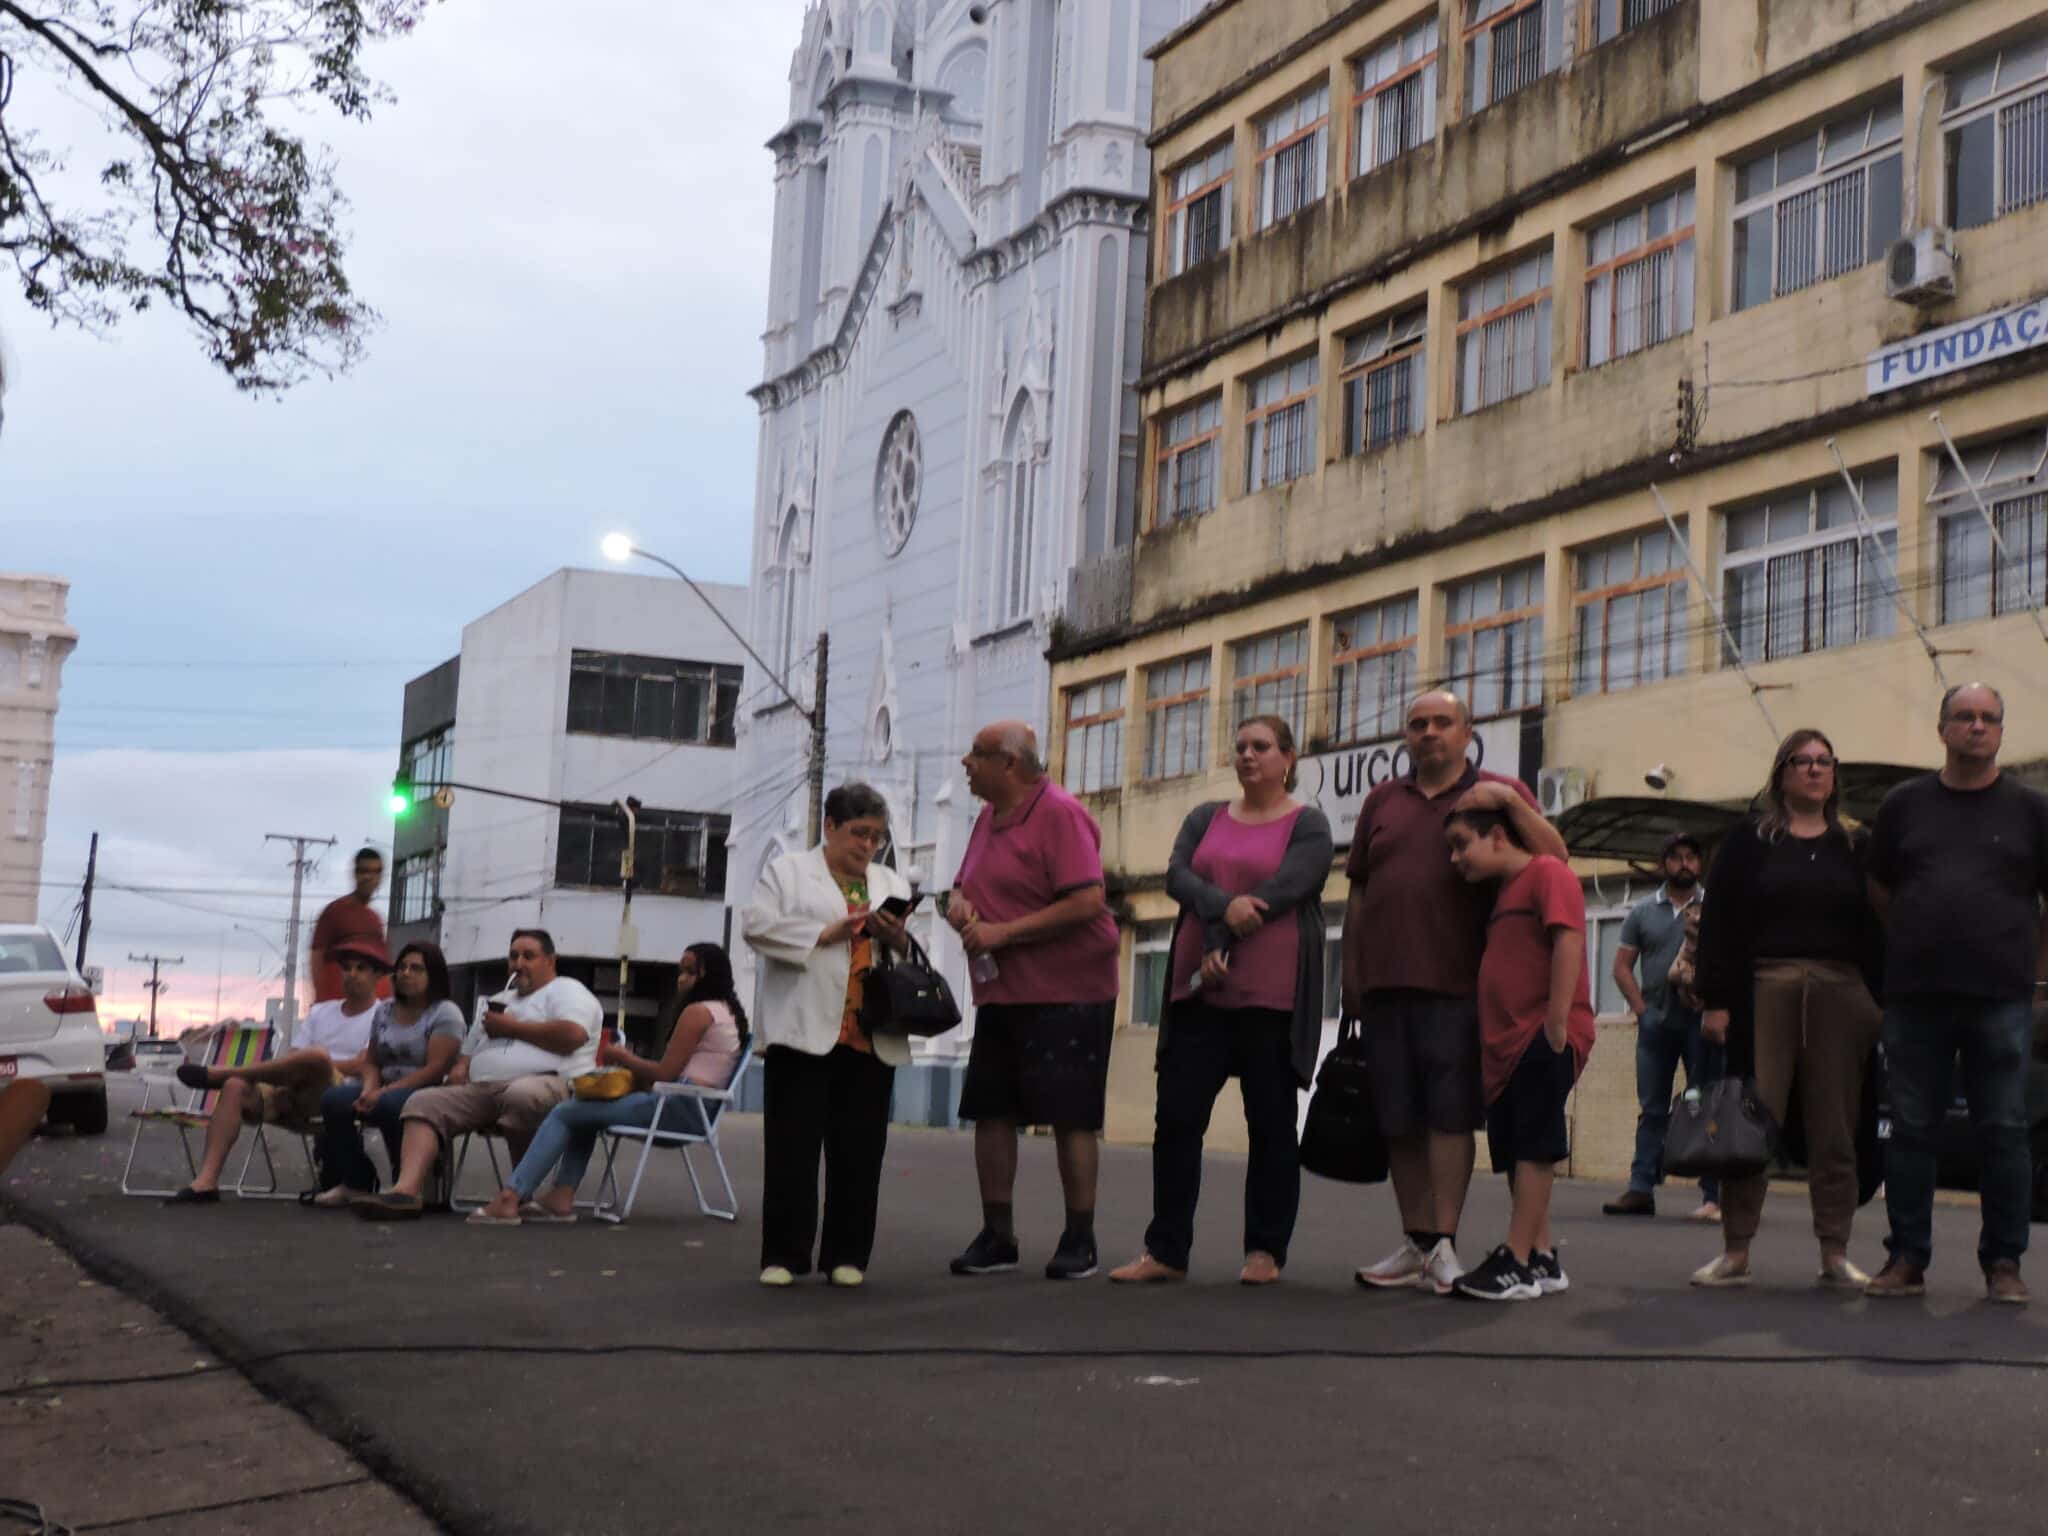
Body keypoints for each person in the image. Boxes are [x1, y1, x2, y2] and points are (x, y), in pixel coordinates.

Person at [1345, 690, 1567, 1295]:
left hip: (1462, 988)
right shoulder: (1381, 802)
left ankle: (1444, 1241)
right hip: (1385, 987)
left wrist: (1505, 803)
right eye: (1417, 724)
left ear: (1467, 733)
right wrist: (1351, 977)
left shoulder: (1498, 794)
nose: (1429, 733)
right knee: (1398, 1122)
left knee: (1448, 1119)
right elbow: (1360, 894)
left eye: (1442, 722)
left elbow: (1555, 859)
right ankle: (1417, 1242)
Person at [1110, 716, 1335, 1286]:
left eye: (1261, 746)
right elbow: (1178, 878)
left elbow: (1287, 890)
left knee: (1271, 1125)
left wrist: (1221, 940)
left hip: (1271, 999)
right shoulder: (1205, 818)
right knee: (1177, 1120)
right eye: (1239, 747)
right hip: (1198, 995)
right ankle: (1166, 1250)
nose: (1248, 756)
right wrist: (1218, 923)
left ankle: (1264, 1252)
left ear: (1287, 758)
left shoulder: (1308, 826)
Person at [1865, 684, 2048, 1304]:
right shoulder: (1903, 806)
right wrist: (1921, 937)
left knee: (2004, 1128)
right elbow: (1882, 888)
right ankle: (1907, 1259)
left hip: (2002, 996)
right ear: (1942, 729)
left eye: (1989, 719)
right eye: (1965, 717)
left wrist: (2033, 972)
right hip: (1916, 996)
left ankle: (2003, 1264)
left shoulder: (2031, 810)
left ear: (2001, 732)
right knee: (1913, 1128)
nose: (1977, 727)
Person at [1685, 728, 1885, 1289]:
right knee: (1752, 1121)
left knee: (1836, 1127)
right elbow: (1720, 924)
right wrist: (1716, 1002)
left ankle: (1834, 1252)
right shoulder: (1749, 841)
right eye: (1803, 761)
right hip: (1763, 991)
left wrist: (1879, 1003)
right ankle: (1736, 1251)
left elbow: (1878, 926)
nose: (1816, 770)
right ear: (1782, 773)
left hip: (1841, 994)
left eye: (1825, 761)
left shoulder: (1856, 845)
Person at [946, 720, 1123, 1282]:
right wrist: (958, 905)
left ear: (1010, 765)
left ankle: (1080, 1237)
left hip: (1069, 987)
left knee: (1070, 1115)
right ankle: (997, 1234)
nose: (965, 763)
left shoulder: (1059, 813)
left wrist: (1003, 932)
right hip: (1002, 990)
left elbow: (1088, 901)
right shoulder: (986, 819)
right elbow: (962, 884)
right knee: (991, 1108)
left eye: (976, 754)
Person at [742, 783, 915, 1287]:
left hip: (869, 1034)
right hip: (803, 1030)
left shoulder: (888, 881)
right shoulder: (788, 872)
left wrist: (896, 936)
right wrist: (824, 934)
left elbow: (908, 952)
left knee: (859, 1152)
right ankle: (784, 1255)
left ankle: (847, 1255)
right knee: (792, 1150)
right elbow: (756, 928)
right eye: (859, 833)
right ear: (830, 827)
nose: (867, 846)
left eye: (877, 837)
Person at [470, 943, 746, 1225]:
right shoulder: (727, 1012)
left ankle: (511, 1196)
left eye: (690, 972)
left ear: (709, 975)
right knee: (584, 1110)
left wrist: (622, 1057)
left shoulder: (698, 1012)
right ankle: (560, 1196)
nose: (681, 979)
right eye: (680, 971)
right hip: (696, 1109)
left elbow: (665, 1073)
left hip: (678, 1107)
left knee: (566, 1112)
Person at [1441, 805, 1595, 1300]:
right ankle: (1543, 1257)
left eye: (1463, 843)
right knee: (1514, 1146)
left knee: (1533, 1143)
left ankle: (1517, 1259)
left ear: (1500, 836)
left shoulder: (1548, 873)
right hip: (1506, 1042)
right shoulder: (1505, 892)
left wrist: (1555, 1024)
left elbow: (1568, 940)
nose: (1455, 857)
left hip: (1541, 1033)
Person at [355, 928, 603, 1219]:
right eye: (513, 956)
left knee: (520, 1096)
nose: (518, 963)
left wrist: (511, 1028)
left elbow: (572, 1036)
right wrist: (460, 1069)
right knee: (423, 1102)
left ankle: (520, 1193)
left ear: (550, 960)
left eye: (529, 956)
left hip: (550, 1082)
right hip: (483, 1089)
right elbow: (467, 1054)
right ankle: (406, 1191)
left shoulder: (566, 990)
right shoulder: (498, 999)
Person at [165, 938, 386, 1203]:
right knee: (235, 1087)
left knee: (317, 1056)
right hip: (292, 1093)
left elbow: (361, 1065)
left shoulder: (383, 1014)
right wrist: (301, 1069)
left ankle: (221, 1073)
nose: (351, 974)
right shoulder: (320, 1012)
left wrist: (317, 1064)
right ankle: (205, 1182)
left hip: (339, 1098)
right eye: (346, 968)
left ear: (378, 975)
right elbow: (293, 1058)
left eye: (361, 968)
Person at [1602, 833, 1721, 1221]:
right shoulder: (1642, 911)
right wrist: (1641, 1011)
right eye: (1676, 857)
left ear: (1699, 864)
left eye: (1691, 857)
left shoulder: (1716, 907)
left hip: (1701, 1022)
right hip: (1656, 1023)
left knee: (1704, 1103)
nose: (1684, 863)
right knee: (1652, 1108)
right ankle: (1640, 1189)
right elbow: (1621, 967)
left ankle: (1713, 1195)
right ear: (1663, 863)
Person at [308, 941, 466, 1207]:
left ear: (434, 975)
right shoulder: (385, 1010)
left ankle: (407, 1181)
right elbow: (371, 1061)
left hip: (427, 1089)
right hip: (384, 1086)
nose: (406, 973)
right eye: (402, 967)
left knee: (389, 1105)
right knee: (334, 1100)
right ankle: (355, 1180)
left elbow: (435, 1069)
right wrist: (370, 1088)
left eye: (416, 968)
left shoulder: (445, 1013)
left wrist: (382, 1093)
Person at [309, 848, 388, 1004]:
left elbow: (380, 967)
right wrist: (323, 1003)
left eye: (375, 872)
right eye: (363, 871)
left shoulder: (376, 920)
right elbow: (316, 958)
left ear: (380, 877)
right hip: (336, 1007)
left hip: (369, 1010)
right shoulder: (335, 912)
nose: (368, 877)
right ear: (355, 874)